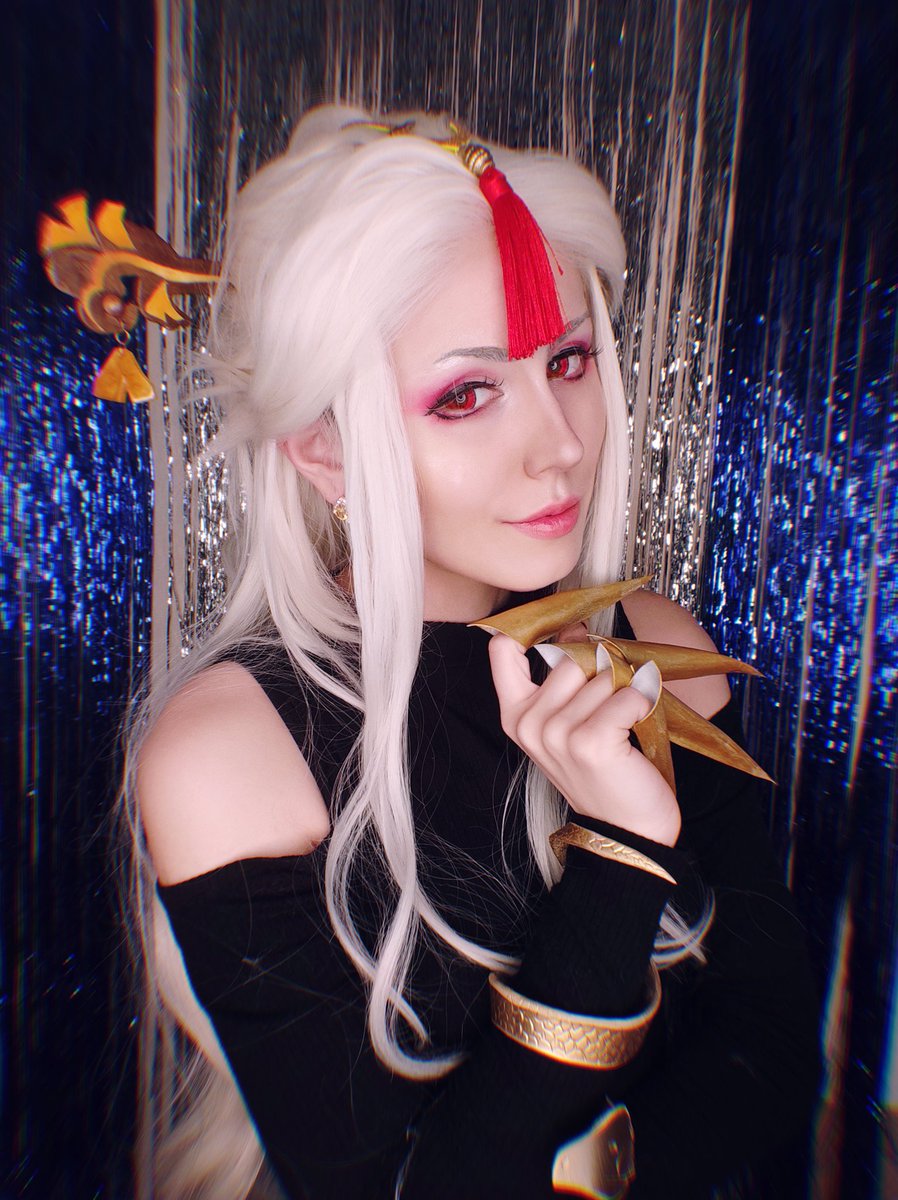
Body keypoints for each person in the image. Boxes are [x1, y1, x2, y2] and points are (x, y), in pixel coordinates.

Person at [125, 105, 819, 1199]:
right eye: (466, 393)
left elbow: (772, 1061)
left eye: (568, 360)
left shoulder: (657, 653)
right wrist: (619, 853)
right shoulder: (231, 751)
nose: (560, 445)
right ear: (324, 451)